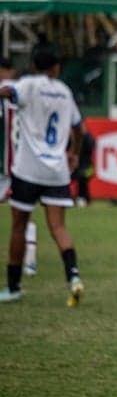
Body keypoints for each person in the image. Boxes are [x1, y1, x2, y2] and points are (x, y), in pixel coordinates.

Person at [0, 48, 85, 306]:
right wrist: (74, 153)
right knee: (58, 226)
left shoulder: (28, 84)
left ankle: (13, 287)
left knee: (19, 225)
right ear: (56, 68)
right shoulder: (64, 91)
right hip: (56, 170)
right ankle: (73, 277)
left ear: (33, 65)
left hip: (27, 168)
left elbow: (7, 92)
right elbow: (78, 128)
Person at [0, 57, 38, 277]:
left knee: (20, 216)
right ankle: (30, 260)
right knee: (23, 215)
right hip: (24, 162)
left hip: (5, 164)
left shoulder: (7, 92)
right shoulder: (28, 92)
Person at [70, 123, 95, 207]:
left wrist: (85, 135)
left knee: (83, 177)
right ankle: (68, 197)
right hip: (75, 167)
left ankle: (84, 198)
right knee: (66, 178)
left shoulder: (88, 137)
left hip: (88, 168)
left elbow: (92, 146)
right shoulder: (73, 138)